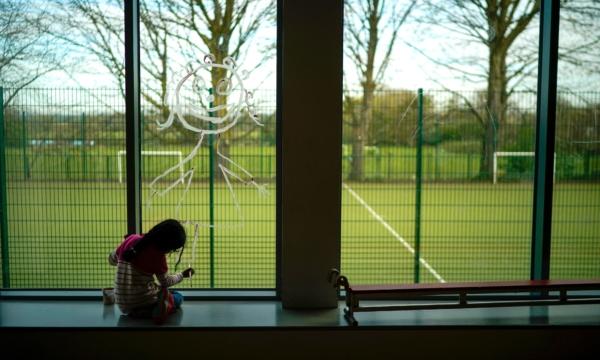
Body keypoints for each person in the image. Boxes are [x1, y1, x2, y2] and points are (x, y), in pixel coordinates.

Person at [108, 219, 194, 324]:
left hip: (122, 303)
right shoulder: (158, 255)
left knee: (162, 293)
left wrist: (124, 245)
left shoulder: (131, 239)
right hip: (142, 299)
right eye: (172, 249)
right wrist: (182, 275)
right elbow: (165, 282)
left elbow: (112, 260)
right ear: (167, 245)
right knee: (178, 297)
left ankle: (140, 311)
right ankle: (155, 308)